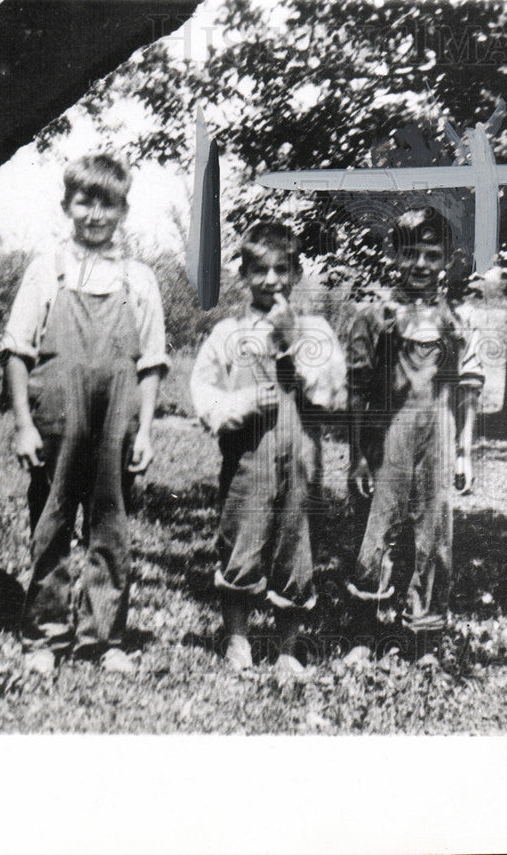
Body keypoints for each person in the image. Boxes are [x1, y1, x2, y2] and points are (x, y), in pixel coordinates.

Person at [1, 153, 168, 676]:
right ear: (66, 205)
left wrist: (144, 430)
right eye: (84, 201)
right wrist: (24, 425)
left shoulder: (139, 279)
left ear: (123, 209)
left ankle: (104, 637)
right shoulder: (46, 270)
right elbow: (16, 352)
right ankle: (45, 636)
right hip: (56, 420)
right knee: (50, 523)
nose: (95, 214)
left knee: (110, 526)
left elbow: (152, 362)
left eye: (107, 203)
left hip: (115, 424)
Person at [190, 220, 346, 677]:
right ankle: (237, 638)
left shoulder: (315, 329)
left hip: (301, 459)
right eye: (260, 270)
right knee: (242, 539)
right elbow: (202, 391)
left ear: (297, 273)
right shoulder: (227, 332)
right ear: (243, 274)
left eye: (282, 269)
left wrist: (293, 336)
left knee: (298, 545)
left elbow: (332, 390)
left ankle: (288, 646)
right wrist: (238, 403)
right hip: (248, 460)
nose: (271, 280)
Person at [345, 207, 484, 663]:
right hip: (388, 436)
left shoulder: (458, 321)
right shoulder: (374, 315)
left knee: (432, 534)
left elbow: (467, 393)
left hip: (439, 437)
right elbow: (358, 392)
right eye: (411, 254)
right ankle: (364, 634)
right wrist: (358, 456)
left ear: (447, 259)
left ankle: (422, 637)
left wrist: (464, 453)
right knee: (376, 529)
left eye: (432, 254)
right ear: (393, 255)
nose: (421, 265)